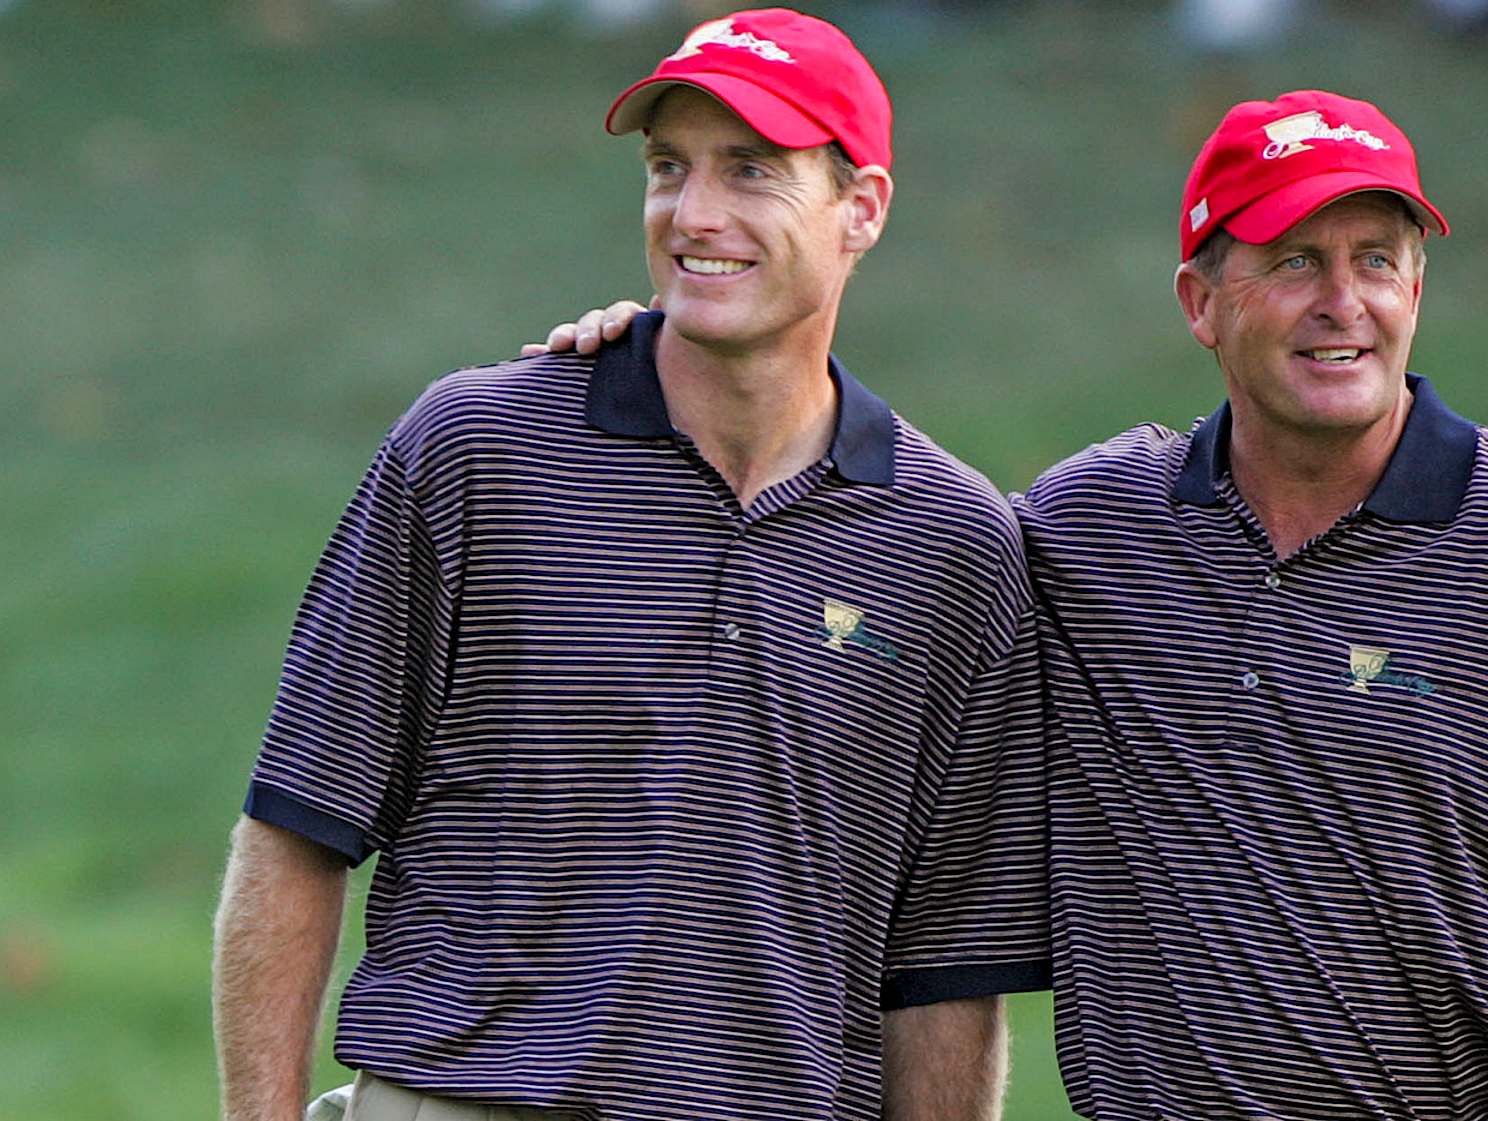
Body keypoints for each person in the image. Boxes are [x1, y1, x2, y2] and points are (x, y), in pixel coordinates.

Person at [531, 89, 1488, 1121]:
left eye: (1377, 258)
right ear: (1203, 299)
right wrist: (667, 342)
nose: (1342, 302)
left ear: (1418, 287)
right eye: (1293, 261)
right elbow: (876, 532)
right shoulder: (1083, 530)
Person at [212, 10, 1050, 1121]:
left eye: (750, 171)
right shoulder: (476, 448)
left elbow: (943, 970)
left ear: (863, 209)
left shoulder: (952, 541)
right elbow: (297, 829)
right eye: (669, 168)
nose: (694, 214)